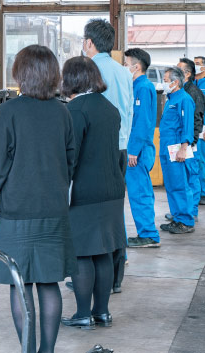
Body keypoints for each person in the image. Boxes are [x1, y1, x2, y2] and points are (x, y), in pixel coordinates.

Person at [0, 45, 77, 353]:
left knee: (19, 282)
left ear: (21, 74)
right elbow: (70, 160)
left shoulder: (9, 111)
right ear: (53, 75)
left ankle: (28, 350)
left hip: (18, 209)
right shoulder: (62, 111)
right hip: (54, 207)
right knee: (49, 282)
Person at [60, 56, 125, 331]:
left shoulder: (76, 109)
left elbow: (70, 155)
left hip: (85, 191)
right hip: (112, 189)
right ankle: (103, 313)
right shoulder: (109, 107)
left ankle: (83, 314)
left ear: (71, 79)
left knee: (83, 253)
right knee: (104, 251)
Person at [82, 19, 133, 291]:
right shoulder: (124, 72)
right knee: (115, 211)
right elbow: (130, 113)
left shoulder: (89, 71)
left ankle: (89, 276)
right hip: (120, 149)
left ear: (89, 42)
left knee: (89, 213)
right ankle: (115, 277)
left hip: (95, 151)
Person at [124, 48, 159, 248]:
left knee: (140, 192)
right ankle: (147, 232)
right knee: (139, 191)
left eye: (126, 63)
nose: (123, 67)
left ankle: (149, 234)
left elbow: (142, 122)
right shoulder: (136, 85)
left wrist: (133, 150)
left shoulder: (143, 87)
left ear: (136, 66)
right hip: (136, 148)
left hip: (138, 150)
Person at [159, 67, 195, 234]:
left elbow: (187, 125)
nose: (164, 83)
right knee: (172, 185)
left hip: (177, 149)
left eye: (166, 80)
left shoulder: (184, 99)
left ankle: (186, 221)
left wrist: (183, 148)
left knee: (180, 184)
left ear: (176, 82)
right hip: (166, 148)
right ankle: (177, 217)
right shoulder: (170, 99)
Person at [170, 58, 204, 222]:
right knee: (181, 179)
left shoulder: (192, 93)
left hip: (189, 143)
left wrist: (191, 143)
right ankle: (182, 210)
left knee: (191, 177)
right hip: (181, 142)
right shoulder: (180, 91)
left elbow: (197, 120)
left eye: (178, 71)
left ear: (187, 74)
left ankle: (191, 211)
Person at [193, 55, 205, 206]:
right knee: (196, 160)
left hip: (203, 128)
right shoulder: (193, 83)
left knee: (201, 160)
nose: (195, 66)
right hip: (195, 127)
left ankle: (203, 192)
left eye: (198, 64)